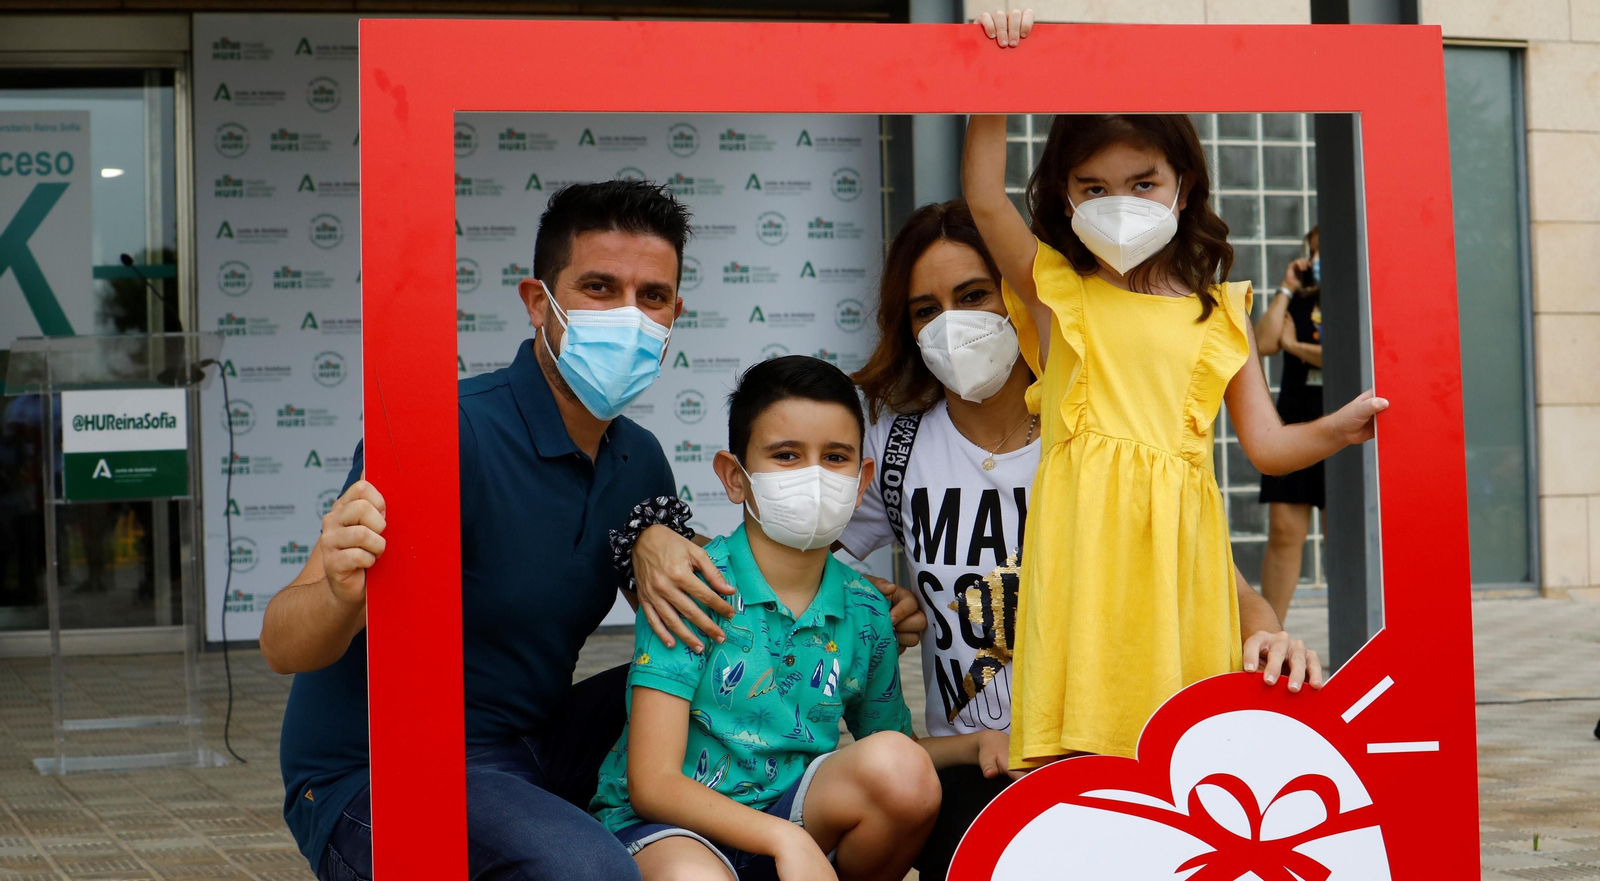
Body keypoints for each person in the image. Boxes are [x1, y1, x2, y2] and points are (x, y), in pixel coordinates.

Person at [630, 197, 1323, 881]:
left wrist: (1270, 632)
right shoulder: (892, 448)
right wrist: (665, 542)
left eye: (973, 295)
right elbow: (792, 549)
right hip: (979, 769)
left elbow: (1225, 587)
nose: (951, 325)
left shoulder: (1096, 432)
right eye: (926, 309)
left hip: (1108, 750)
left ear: (1022, 295)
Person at [264, 180, 718, 881]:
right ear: (540, 302)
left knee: (726, 682)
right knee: (589, 874)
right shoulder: (447, 433)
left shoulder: (641, 460)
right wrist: (338, 589)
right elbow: (281, 643)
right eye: (599, 287)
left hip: (532, 746)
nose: (629, 316)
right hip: (381, 771)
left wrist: (854, 599)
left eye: (652, 296)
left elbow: (707, 603)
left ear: (675, 313)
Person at [963, 16, 1387, 767]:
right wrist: (998, 62)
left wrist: (1339, 425)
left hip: (1182, 562)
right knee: (1085, 751)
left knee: (1182, 752)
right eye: (1093, 186)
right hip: (1082, 552)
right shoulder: (1054, 288)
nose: (1117, 200)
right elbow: (985, 198)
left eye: (1142, 183)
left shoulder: (1218, 310)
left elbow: (1269, 444)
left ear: (1183, 186)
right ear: (1064, 195)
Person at [591, 355, 940, 881]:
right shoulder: (690, 587)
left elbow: (893, 751)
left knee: (904, 774)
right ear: (735, 476)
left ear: (863, 478)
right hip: (668, 831)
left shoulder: (867, 609)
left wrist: (977, 745)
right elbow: (653, 782)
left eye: (836, 456)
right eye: (786, 455)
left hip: (791, 820)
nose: (814, 476)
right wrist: (786, 838)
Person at [1254, 228, 1325, 623]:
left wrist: (1296, 347)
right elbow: (1263, 343)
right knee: (1283, 531)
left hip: (1345, 426)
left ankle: (1357, 638)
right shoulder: (1297, 299)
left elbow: (1343, 355)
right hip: (1293, 424)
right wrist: (1285, 288)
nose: (1316, 258)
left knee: (1344, 535)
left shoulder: (1359, 295)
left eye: (1323, 250)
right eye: (1312, 251)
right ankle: (1270, 634)